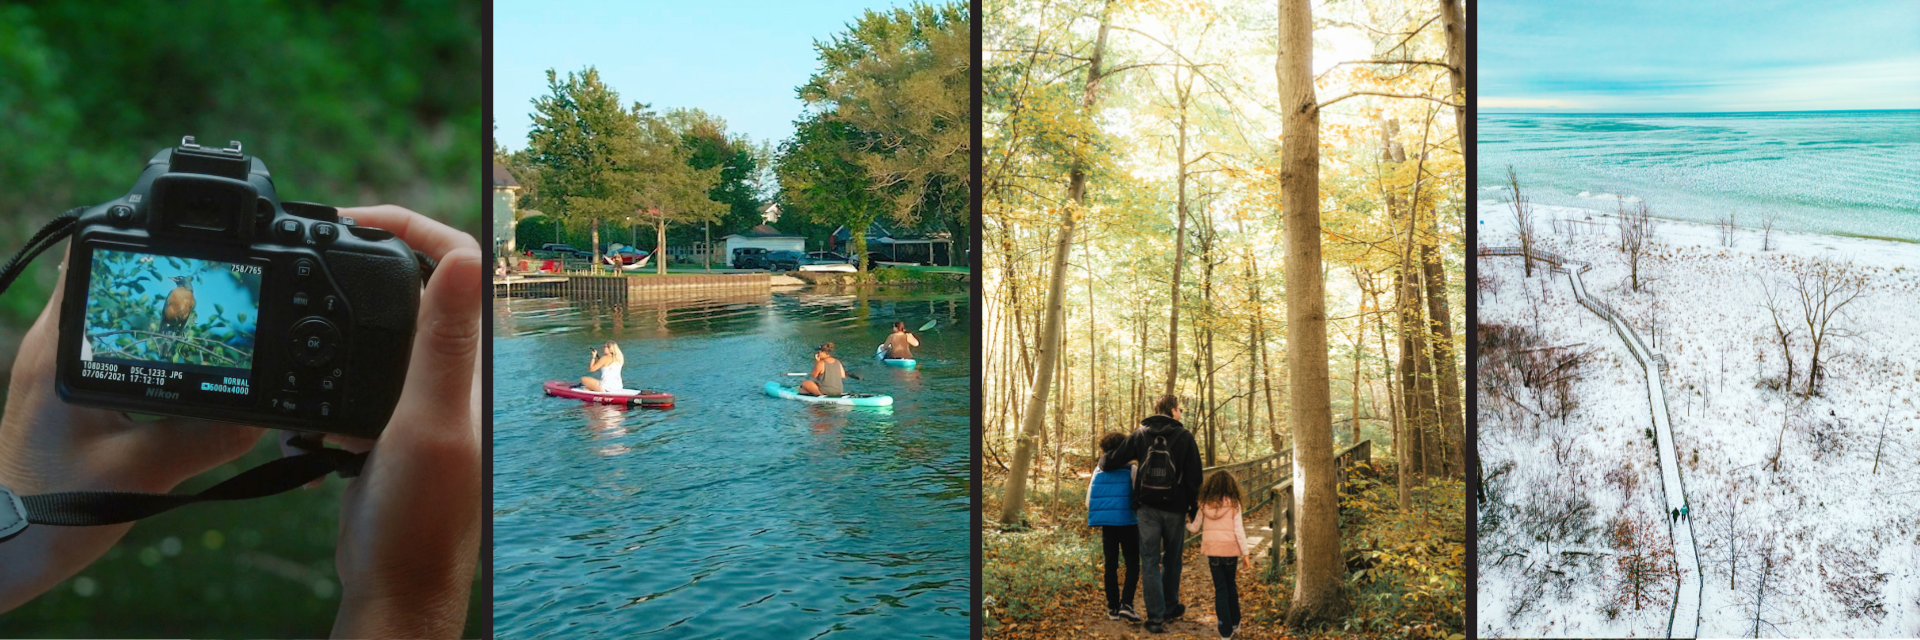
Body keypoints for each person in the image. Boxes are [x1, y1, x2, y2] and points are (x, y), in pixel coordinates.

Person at [0, 205, 481, 637]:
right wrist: (407, 596)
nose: (179, 288)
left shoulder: (188, 303)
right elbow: (169, 322)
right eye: (179, 284)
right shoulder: (170, 299)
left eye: (183, 285)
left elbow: (183, 323)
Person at [1106, 394, 1205, 634]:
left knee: (1149, 560)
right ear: (1172, 410)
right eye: (1180, 409)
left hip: (1147, 508)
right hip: (1176, 508)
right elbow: (1195, 478)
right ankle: (1170, 606)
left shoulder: (1141, 434)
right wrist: (1193, 508)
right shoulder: (1185, 437)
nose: (1181, 413)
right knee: (1172, 559)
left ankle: (1155, 618)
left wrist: (1103, 462)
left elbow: (1116, 459)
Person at [1187, 471, 1252, 639]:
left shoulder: (1203, 505)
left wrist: (1186, 522)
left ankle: (1225, 632)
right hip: (1230, 552)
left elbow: (1195, 528)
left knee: (1220, 589)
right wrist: (1245, 553)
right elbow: (1239, 530)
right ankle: (1235, 624)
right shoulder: (1234, 505)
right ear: (1231, 486)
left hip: (1213, 553)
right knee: (1231, 585)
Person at [1087, 432, 1142, 624]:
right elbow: (1139, 497)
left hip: (1107, 525)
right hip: (1129, 522)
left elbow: (1088, 501)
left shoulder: (1099, 470)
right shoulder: (1132, 469)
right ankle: (1127, 604)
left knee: (1111, 564)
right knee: (1133, 563)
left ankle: (1113, 609)